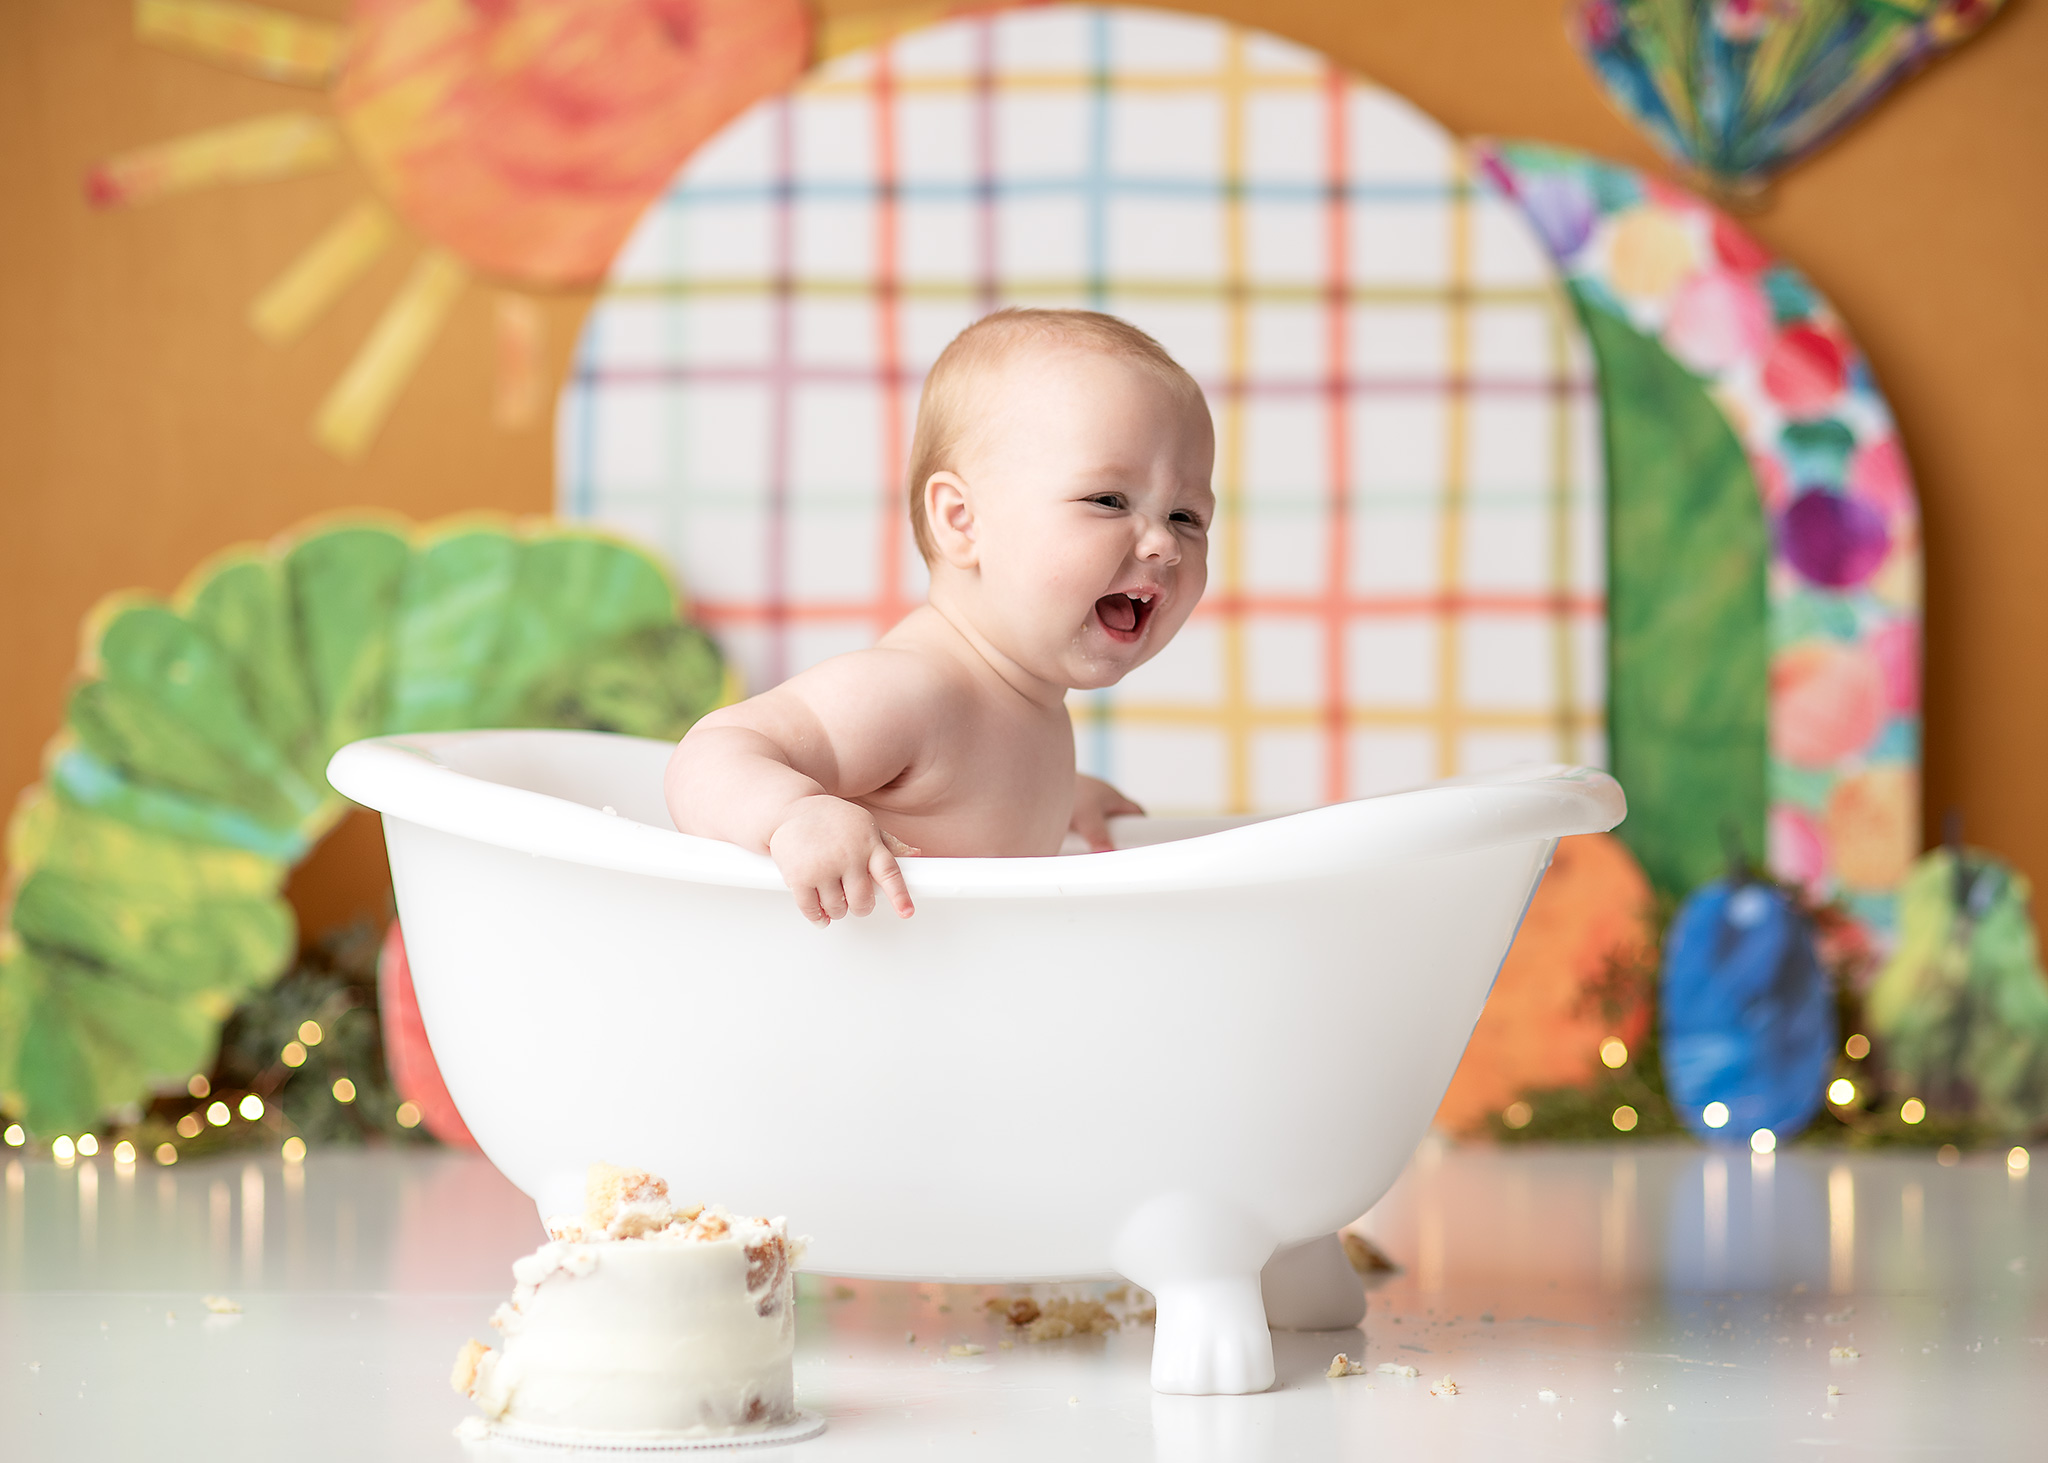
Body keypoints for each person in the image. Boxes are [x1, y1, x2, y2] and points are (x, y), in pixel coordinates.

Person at [666, 308, 1215, 926]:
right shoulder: (909, 689)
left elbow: (964, 806)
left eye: (1187, 516)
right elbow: (708, 754)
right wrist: (792, 814)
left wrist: (1061, 800)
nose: (1164, 545)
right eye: (1109, 500)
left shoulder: (1025, 706)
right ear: (962, 521)